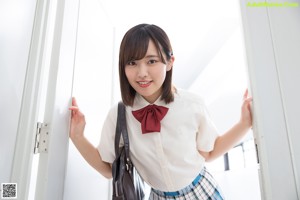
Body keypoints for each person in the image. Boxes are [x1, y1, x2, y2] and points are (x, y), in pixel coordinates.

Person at [69, 23, 253, 200]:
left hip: (201, 191)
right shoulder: (119, 115)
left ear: (169, 62)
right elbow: (108, 170)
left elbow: (210, 153)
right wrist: (78, 136)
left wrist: (244, 124)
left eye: (151, 61)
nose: (142, 73)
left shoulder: (192, 104)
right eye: (132, 62)